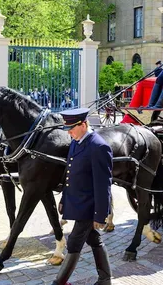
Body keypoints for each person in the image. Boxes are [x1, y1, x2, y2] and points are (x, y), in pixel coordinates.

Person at [52, 108, 112, 285]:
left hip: (89, 207)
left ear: (84, 124)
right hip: (78, 203)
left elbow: (103, 185)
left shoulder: (99, 146)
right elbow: (69, 175)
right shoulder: (76, 142)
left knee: (74, 242)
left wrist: (101, 215)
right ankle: (105, 279)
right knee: (94, 240)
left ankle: (59, 282)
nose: (68, 132)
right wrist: (64, 199)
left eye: (71, 128)